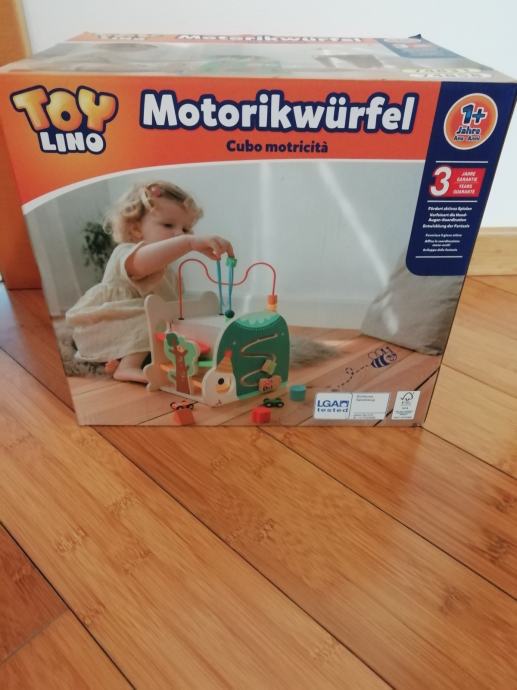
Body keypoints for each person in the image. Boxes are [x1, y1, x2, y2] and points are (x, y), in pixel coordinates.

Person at [66, 181, 234, 383]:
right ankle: (127, 366)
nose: (180, 234)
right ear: (136, 228)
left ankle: (118, 360)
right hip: (106, 326)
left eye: (186, 229)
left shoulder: (169, 271)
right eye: (168, 225)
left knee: (173, 320)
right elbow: (143, 264)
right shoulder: (126, 253)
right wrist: (188, 243)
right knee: (151, 318)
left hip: (134, 334)